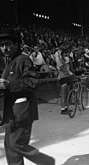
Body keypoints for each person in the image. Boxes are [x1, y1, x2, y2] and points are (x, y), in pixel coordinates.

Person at [0, 28, 55, 165]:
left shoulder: (24, 60)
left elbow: (32, 82)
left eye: (7, 44)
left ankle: (46, 162)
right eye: (1, 45)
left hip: (21, 110)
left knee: (17, 144)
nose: (4, 48)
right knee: (10, 147)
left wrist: (8, 84)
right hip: (10, 111)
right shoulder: (9, 62)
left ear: (16, 45)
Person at [55, 48, 74, 115]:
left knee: (66, 94)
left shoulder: (66, 60)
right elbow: (64, 69)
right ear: (62, 54)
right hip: (62, 78)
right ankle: (63, 109)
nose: (66, 55)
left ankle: (66, 108)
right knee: (63, 94)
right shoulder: (60, 61)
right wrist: (71, 74)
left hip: (67, 78)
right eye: (65, 54)